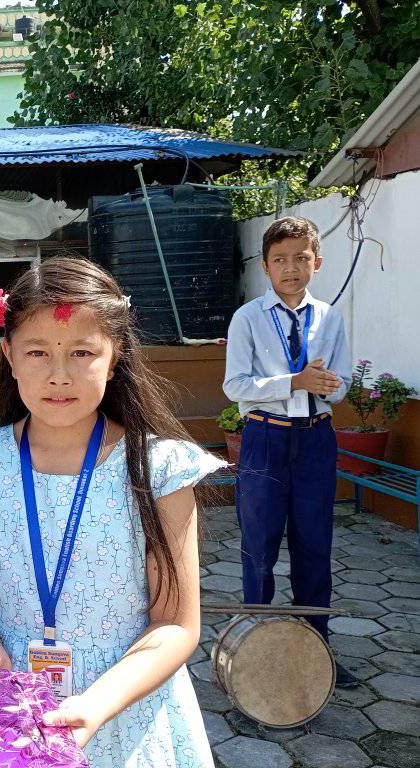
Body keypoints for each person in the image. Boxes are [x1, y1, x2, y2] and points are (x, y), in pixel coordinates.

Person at [0, 257, 221, 767]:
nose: (59, 375)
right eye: (38, 352)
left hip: (129, 709)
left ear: (114, 359)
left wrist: (96, 705)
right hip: (17, 707)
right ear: (8, 353)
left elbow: (176, 625)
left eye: (82, 352)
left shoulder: (159, 469)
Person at [222, 216, 355, 686]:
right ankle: (252, 647)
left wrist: (330, 385)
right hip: (265, 438)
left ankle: (315, 647)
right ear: (265, 266)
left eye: (301, 258)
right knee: (258, 544)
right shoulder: (248, 318)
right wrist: (293, 381)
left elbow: (342, 385)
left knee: (314, 543)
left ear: (316, 262)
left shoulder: (331, 319)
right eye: (280, 259)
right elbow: (235, 385)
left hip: (316, 438)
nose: (291, 268)